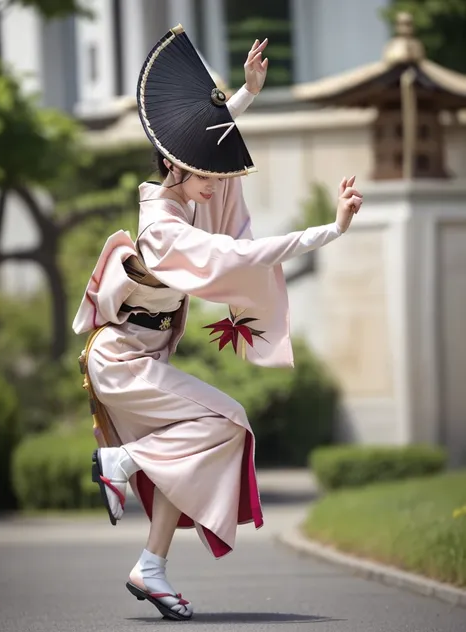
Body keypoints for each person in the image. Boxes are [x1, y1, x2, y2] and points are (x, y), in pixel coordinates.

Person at [73, 27, 363, 622]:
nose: (219, 183)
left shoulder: (181, 196)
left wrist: (247, 96)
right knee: (229, 421)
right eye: (209, 173)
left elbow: (205, 149)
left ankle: (150, 567)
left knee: (194, 454)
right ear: (178, 167)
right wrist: (330, 231)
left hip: (140, 359)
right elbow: (241, 256)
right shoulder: (166, 229)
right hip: (121, 361)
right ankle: (122, 464)